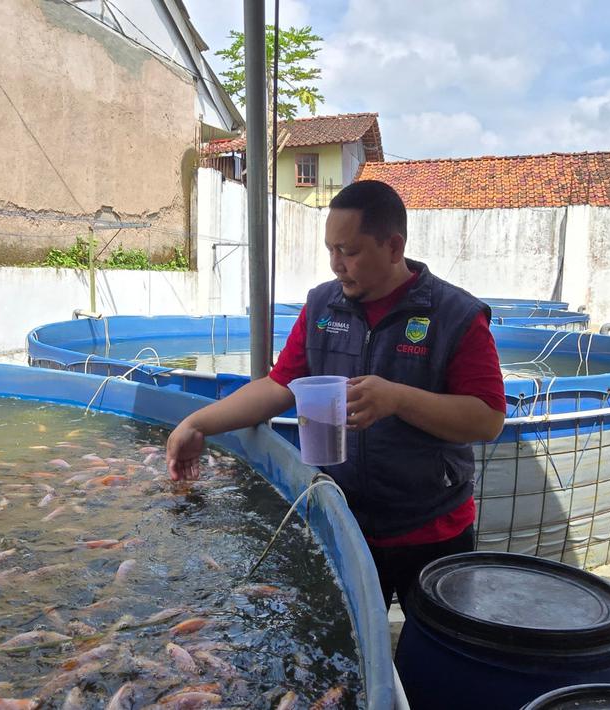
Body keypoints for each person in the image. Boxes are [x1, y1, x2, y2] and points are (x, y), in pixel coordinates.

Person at [165, 180, 506, 608]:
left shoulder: (455, 315)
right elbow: (278, 385)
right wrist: (199, 423)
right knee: (349, 654)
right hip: (345, 523)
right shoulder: (323, 307)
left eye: (349, 251)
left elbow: (489, 418)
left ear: (394, 247)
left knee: (436, 657)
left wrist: (397, 398)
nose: (335, 265)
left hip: (433, 529)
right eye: (330, 250)